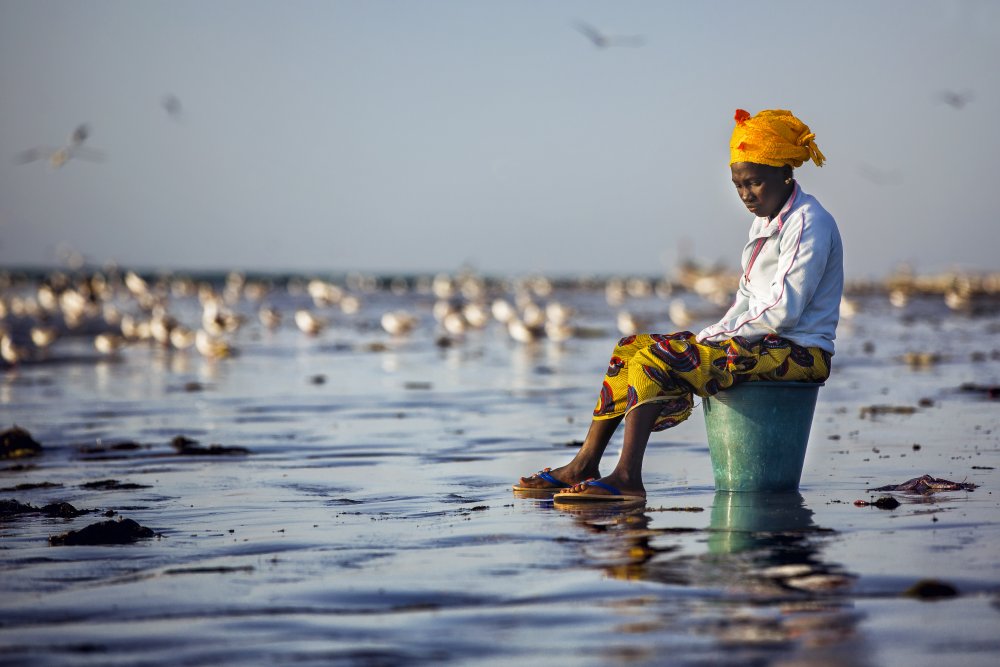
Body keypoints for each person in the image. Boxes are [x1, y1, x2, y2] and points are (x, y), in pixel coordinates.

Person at [513, 108, 844, 502]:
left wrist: (709, 340)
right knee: (630, 349)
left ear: (785, 174)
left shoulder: (808, 223)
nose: (745, 195)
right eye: (738, 185)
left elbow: (782, 311)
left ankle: (627, 478)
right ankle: (585, 462)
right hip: (765, 343)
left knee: (663, 357)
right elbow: (746, 300)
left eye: (754, 183)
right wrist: (709, 336)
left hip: (799, 352)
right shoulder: (765, 223)